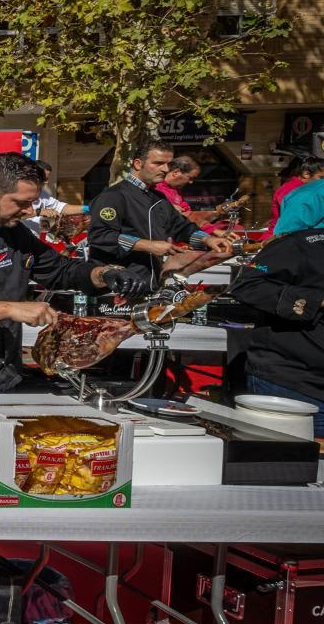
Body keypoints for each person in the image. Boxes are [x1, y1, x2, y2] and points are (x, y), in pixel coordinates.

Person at [0, 153, 153, 424]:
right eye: (22, 203)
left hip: (5, 372)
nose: (28, 211)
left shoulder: (11, 230)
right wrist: (9, 308)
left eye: (32, 203)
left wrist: (104, 274)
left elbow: (60, 269)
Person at [88, 140, 233, 285]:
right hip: (116, 284)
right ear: (138, 164)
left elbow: (181, 226)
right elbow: (100, 235)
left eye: (168, 164)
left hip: (148, 281)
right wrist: (147, 245)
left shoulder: (159, 197)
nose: (165, 169)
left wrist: (207, 239)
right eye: (158, 163)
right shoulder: (113, 196)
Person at [226, 228, 324, 437]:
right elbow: (246, 284)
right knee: (285, 465)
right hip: (295, 384)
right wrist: (316, 301)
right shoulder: (301, 244)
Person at [269, 156, 323, 230]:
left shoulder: (304, 189)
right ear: (306, 174)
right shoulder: (294, 190)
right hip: (290, 236)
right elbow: (293, 221)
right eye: (322, 178)